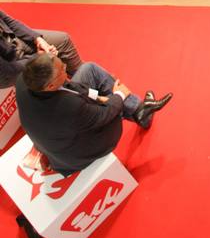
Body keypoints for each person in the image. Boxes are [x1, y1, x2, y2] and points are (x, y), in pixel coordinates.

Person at [16, 52, 172, 175]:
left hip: (57, 137)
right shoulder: (68, 106)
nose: (65, 66)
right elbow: (105, 114)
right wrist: (119, 95)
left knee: (88, 69)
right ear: (50, 86)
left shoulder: (24, 80)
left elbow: (71, 87)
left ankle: (139, 110)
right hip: (81, 152)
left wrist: (101, 97)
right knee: (113, 106)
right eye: (62, 69)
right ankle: (139, 112)